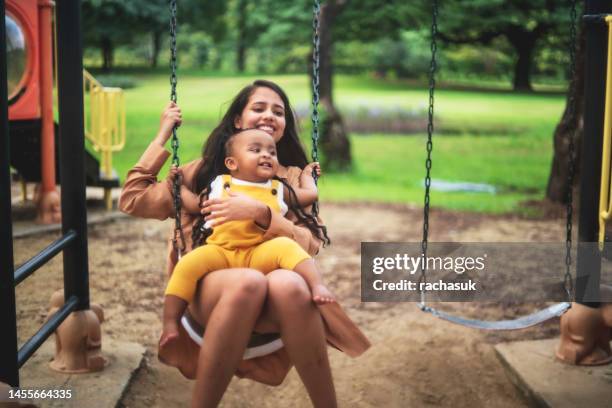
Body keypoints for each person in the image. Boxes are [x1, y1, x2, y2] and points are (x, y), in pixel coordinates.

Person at [119, 80, 370, 407]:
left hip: (273, 295)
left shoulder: (292, 181)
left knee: (292, 284)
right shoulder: (205, 173)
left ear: (282, 129)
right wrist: (162, 135)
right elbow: (133, 200)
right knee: (247, 282)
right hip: (213, 289)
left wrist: (263, 214)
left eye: (278, 112)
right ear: (238, 119)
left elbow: (310, 244)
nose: (270, 116)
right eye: (259, 108)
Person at [161, 128, 336, 349]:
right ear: (232, 163)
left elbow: (310, 195)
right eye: (256, 150)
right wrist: (179, 187)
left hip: (259, 252)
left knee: (286, 246)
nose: (266, 155)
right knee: (186, 265)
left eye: (272, 152)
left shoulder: (278, 189)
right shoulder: (221, 184)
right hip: (220, 250)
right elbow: (196, 204)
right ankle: (170, 322)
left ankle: (317, 286)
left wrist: (306, 177)